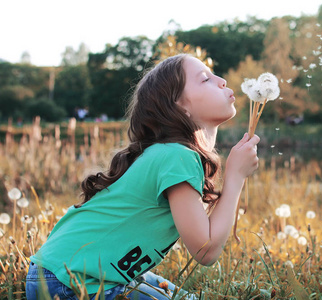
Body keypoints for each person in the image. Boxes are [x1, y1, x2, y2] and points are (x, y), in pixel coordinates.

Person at [26, 54, 260, 299]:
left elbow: (206, 240)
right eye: (205, 79)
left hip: (56, 272)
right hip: (73, 282)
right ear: (180, 105)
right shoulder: (177, 156)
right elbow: (205, 251)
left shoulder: (169, 154)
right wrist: (235, 176)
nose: (222, 81)